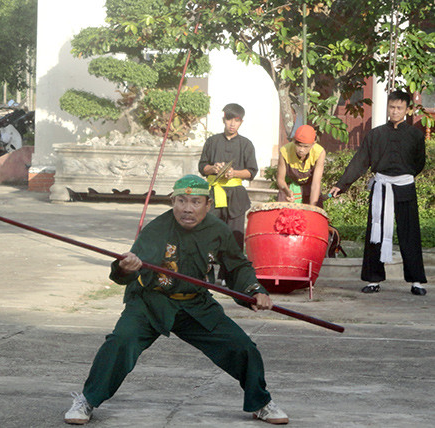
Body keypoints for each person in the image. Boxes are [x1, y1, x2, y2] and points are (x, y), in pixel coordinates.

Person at [64, 175, 289, 425]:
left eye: (195, 202)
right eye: (181, 201)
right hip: (151, 302)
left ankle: (261, 403)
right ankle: (87, 400)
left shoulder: (219, 231)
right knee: (120, 342)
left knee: (243, 347)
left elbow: (236, 267)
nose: (187, 209)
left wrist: (255, 290)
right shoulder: (157, 228)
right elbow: (128, 269)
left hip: (196, 304)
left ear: (208, 204)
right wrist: (127, 267)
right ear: (173, 201)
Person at [329, 90, 427, 296]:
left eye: (399, 108)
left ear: (408, 110)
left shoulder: (416, 135)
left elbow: (419, 163)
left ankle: (416, 280)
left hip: (405, 187)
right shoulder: (375, 135)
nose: (395, 111)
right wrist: (342, 184)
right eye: (392, 107)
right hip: (381, 187)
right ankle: (373, 279)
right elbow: (360, 161)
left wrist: (402, 177)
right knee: (375, 233)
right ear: (388, 107)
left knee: (410, 233)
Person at [198, 103, 258, 251]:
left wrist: (234, 173)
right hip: (213, 193)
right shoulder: (212, 141)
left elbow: (251, 171)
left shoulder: (246, 144)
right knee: (209, 234)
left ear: (241, 122)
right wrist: (213, 168)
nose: (232, 124)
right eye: (229, 119)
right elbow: (202, 167)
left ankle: (232, 271)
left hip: (235, 195)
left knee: (234, 238)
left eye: (236, 120)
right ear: (223, 119)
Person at [276, 124, 326, 207]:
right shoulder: (285, 151)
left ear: (313, 144)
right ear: (294, 141)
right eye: (299, 145)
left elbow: (316, 184)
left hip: (310, 187)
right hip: (289, 187)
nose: (301, 150)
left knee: (315, 213)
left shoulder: (319, 152)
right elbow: (280, 179)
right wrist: (287, 191)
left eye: (306, 147)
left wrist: (312, 207)